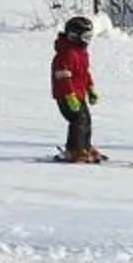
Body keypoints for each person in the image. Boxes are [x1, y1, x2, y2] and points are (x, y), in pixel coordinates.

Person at [51, 15, 102, 163]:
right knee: (78, 121)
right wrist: (69, 95)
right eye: (85, 37)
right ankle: (74, 149)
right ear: (74, 36)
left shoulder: (81, 53)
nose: (88, 41)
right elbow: (63, 77)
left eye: (90, 37)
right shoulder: (66, 54)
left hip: (79, 95)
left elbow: (85, 73)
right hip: (66, 96)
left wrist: (90, 88)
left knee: (86, 120)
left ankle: (85, 146)